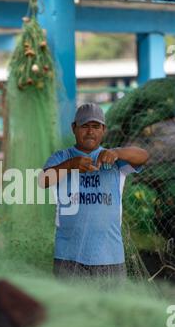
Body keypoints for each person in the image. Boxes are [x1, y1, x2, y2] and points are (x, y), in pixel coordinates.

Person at [38, 103, 149, 280]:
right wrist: (71, 165)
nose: (90, 131)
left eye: (96, 127)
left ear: (103, 130)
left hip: (110, 256)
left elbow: (143, 156)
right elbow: (43, 181)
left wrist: (117, 152)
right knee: (70, 307)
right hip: (68, 256)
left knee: (111, 308)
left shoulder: (114, 159)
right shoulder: (61, 157)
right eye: (85, 126)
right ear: (74, 128)